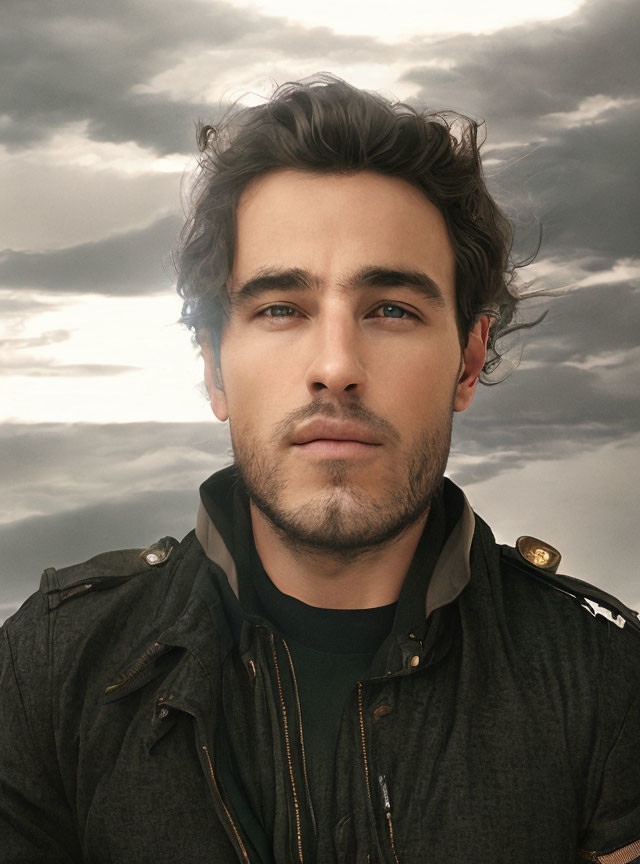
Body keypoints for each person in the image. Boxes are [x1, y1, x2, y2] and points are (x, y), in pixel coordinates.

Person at [1, 74, 638, 864]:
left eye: (391, 310)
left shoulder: (609, 682)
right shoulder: (51, 667)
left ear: (468, 363)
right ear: (215, 370)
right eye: (280, 309)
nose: (335, 366)